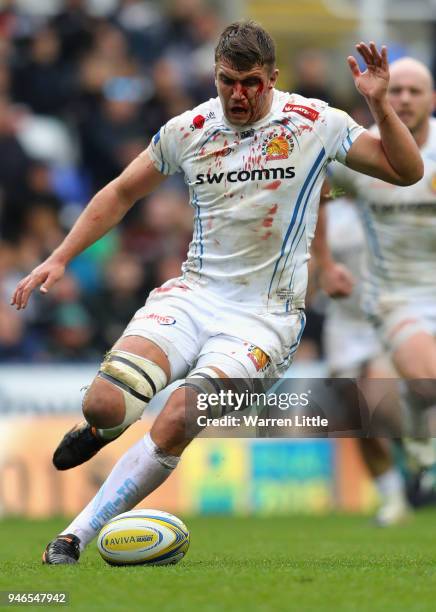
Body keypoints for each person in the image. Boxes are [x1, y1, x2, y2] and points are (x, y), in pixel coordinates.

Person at [11, 21, 423, 564]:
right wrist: (60, 257)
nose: (239, 94)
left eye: (252, 82)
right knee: (106, 403)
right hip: (195, 294)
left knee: (181, 416)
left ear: (273, 78)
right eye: (228, 80)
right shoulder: (190, 128)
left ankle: (73, 538)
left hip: (265, 319)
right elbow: (121, 192)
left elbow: (407, 170)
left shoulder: (317, 122)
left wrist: (381, 108)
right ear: (215, 75)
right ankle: (99, 425)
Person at [316, 56, 436, 518]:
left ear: (431, 99)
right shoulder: (362, 154)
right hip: (396, 294)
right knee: (394, 392)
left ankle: (420, 453)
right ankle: (399, 485)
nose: (404, 98)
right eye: (397, 89)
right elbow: (321, 199)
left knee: (405, 392)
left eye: (414, 91)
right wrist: (324, 264)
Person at [315, 193, 410, 525]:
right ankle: (393, 498)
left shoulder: (396, 201)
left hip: (389, 314)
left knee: (381, 401)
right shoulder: (328, 212)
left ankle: (416, 457)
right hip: (344, 322)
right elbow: (313, 261)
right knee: (354, 414)